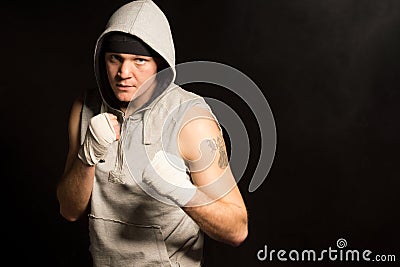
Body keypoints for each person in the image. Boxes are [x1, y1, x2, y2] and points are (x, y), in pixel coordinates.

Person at [56, 0, 248, 266]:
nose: (124, 73)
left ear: (159, 64)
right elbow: (69, 210)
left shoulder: (191, 120)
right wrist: (87, 157)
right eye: (115, 59)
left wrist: (181, 192)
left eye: (139, 61)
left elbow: (237, 229)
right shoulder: (85, 107)